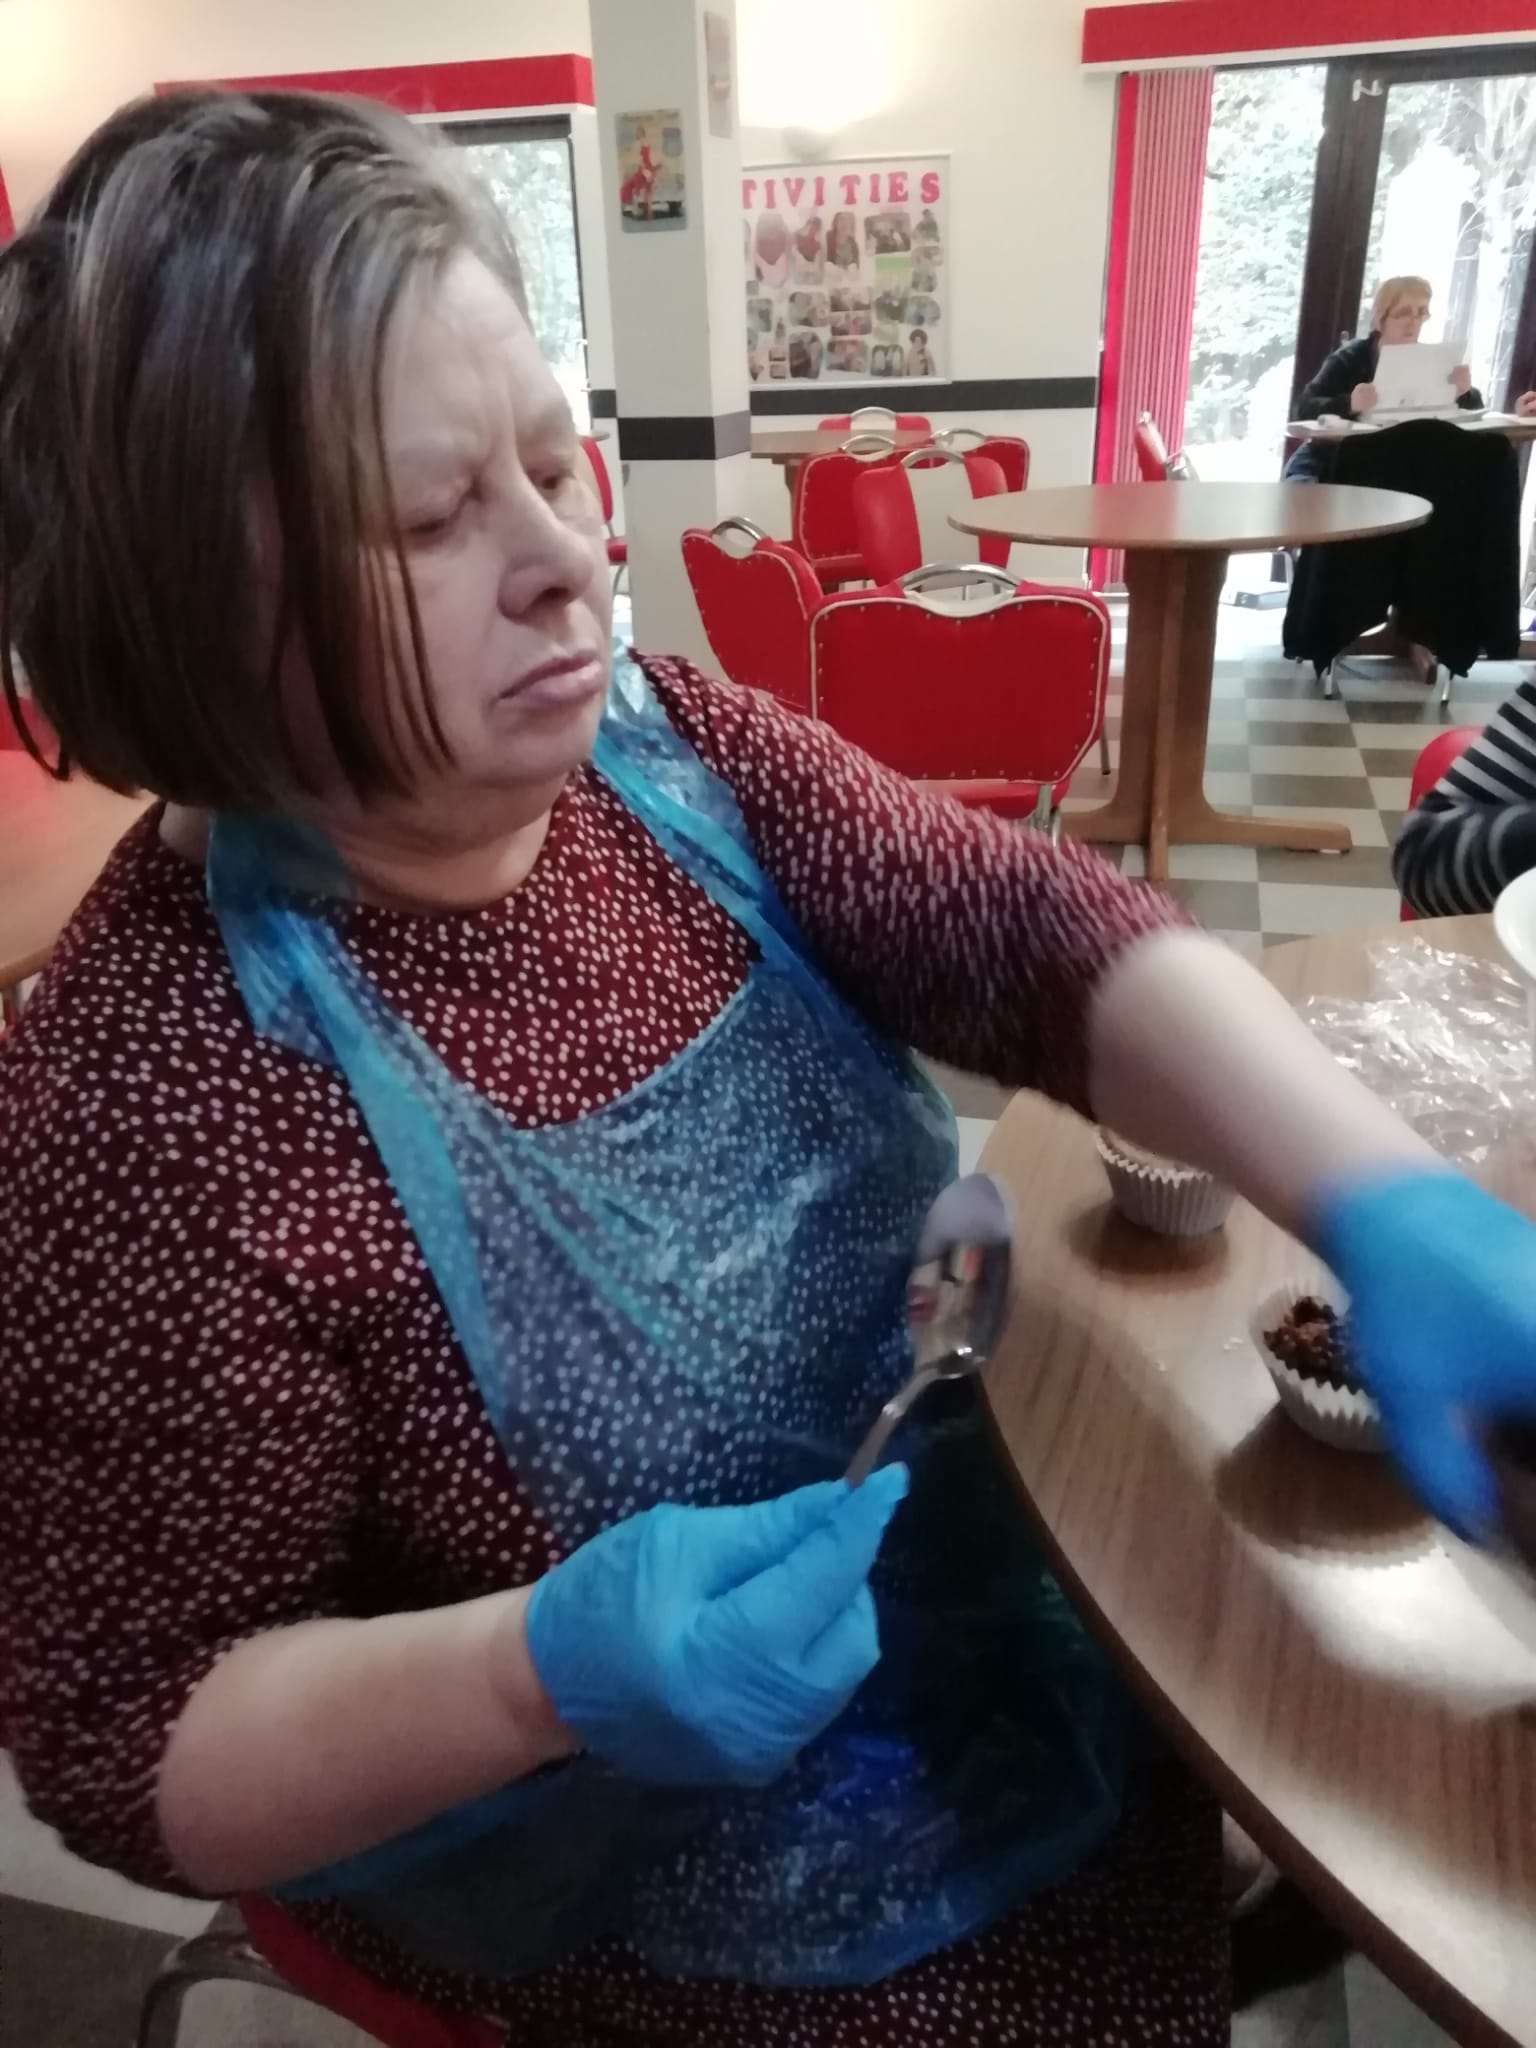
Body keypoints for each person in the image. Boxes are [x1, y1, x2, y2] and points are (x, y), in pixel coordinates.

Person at [4, 91, 1536, 2048]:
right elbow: (134, 1734)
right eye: (431, 520)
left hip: (997, 1626)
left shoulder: (663, 751)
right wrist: (535, 1675)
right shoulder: (150, 1106)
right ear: (189, 615)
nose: (567, 558)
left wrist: (1377, 1191)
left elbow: (1025, 923)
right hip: (650, 1885)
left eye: (550, 460)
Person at [1284, 275, 1482, 484]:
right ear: (1380, 319)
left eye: (1421, 312)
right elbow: (1304, 408)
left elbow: (1476, 412)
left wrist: (1464, 392)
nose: (1413, 322)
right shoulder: (1351, 358)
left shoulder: (1433, 359)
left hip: (1399, 465)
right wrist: (1349, 403)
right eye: (1403, 313)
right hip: (1332, 458)